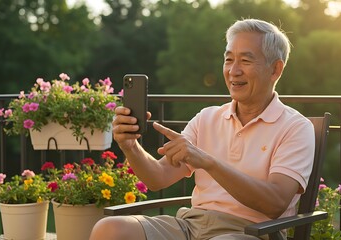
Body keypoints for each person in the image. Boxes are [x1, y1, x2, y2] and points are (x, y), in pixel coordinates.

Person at [89, 18, 315, 240]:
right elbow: (157, 178)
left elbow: (274, 203)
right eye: (228, 59)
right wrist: (130, 146)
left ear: (275, 69)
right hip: (190, 226)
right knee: (109, 229)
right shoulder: (207, 118)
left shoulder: (296, 128)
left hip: (251, 232)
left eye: (245, 61)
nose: (233, 71)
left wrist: (209, 162)